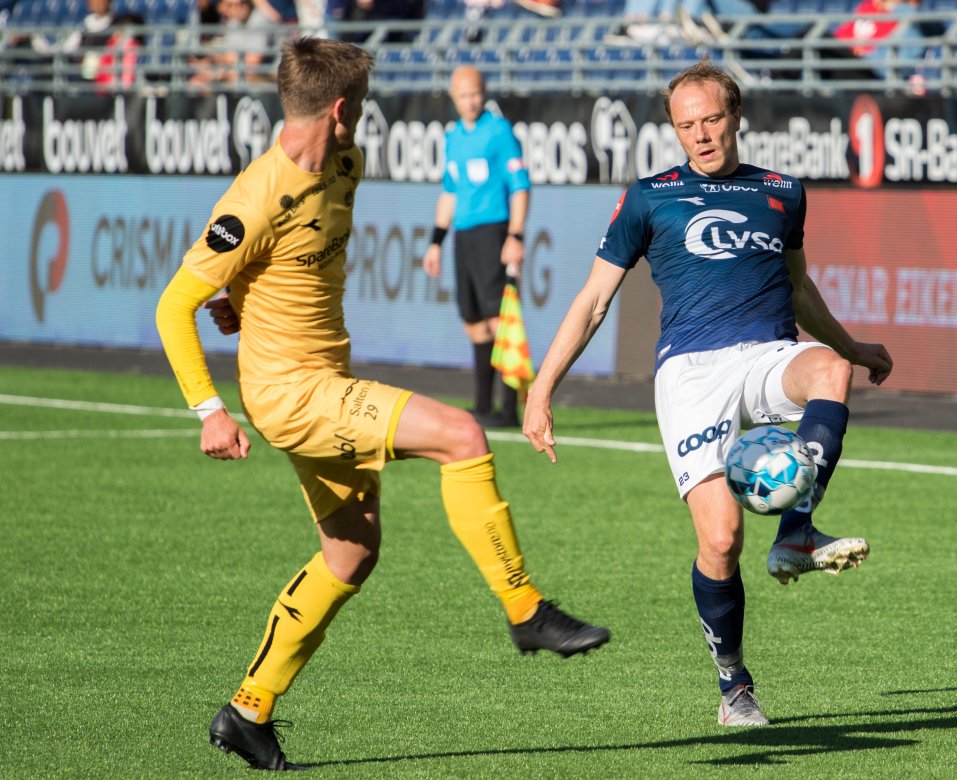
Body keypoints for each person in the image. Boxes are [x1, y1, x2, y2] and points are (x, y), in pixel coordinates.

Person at [156, 36, 609, 771]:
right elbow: (174, 305)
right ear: (340, 110)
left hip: (320, 378)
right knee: (463, 435)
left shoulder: (344, 163)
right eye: (360, 107)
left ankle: (248, 709)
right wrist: (208, 409)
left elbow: (281, 269)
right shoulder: (254, 196)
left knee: (352, 552)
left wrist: (244, 298)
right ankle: (526, 610)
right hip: (293, 396)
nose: (365, 119)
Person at [523, 58, 892, 727]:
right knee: (721, 541)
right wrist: (541, 389)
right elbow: (594, 299)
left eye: (712, 119)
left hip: (770, 352)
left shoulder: (782, 191)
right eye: (687, 125)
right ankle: (734, 686)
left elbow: (799, 287)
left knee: (830, 374)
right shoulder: (649, 196)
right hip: (691, 373)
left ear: (736, 116)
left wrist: (852, 347)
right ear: (674, 129)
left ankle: (797, 533)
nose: (701, 135)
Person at [423, 65, 531, 430]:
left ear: (483, 93)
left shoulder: (499, 132)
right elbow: (450, 190)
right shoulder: (454, 136)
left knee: (499, 319)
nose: (470, 101)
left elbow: (520, 185)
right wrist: (436, 241)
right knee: (473, 322)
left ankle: (508, 408)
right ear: (453, 97)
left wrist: (515, 235)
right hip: (464, 235)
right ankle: (483, 405)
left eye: (475, 94)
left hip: (493, 231)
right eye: (463, 95)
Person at [188, 0, 279, 88]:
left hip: (270, 79)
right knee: (198, 82)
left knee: (217, 81)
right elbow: (228, 55)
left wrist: (217, 74)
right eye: (231, 5)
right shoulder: (234, 23)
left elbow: (252, 64)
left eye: (241, 2)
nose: (237, 8)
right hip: (247, 76)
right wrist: (209, 62)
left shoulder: (260, 20)